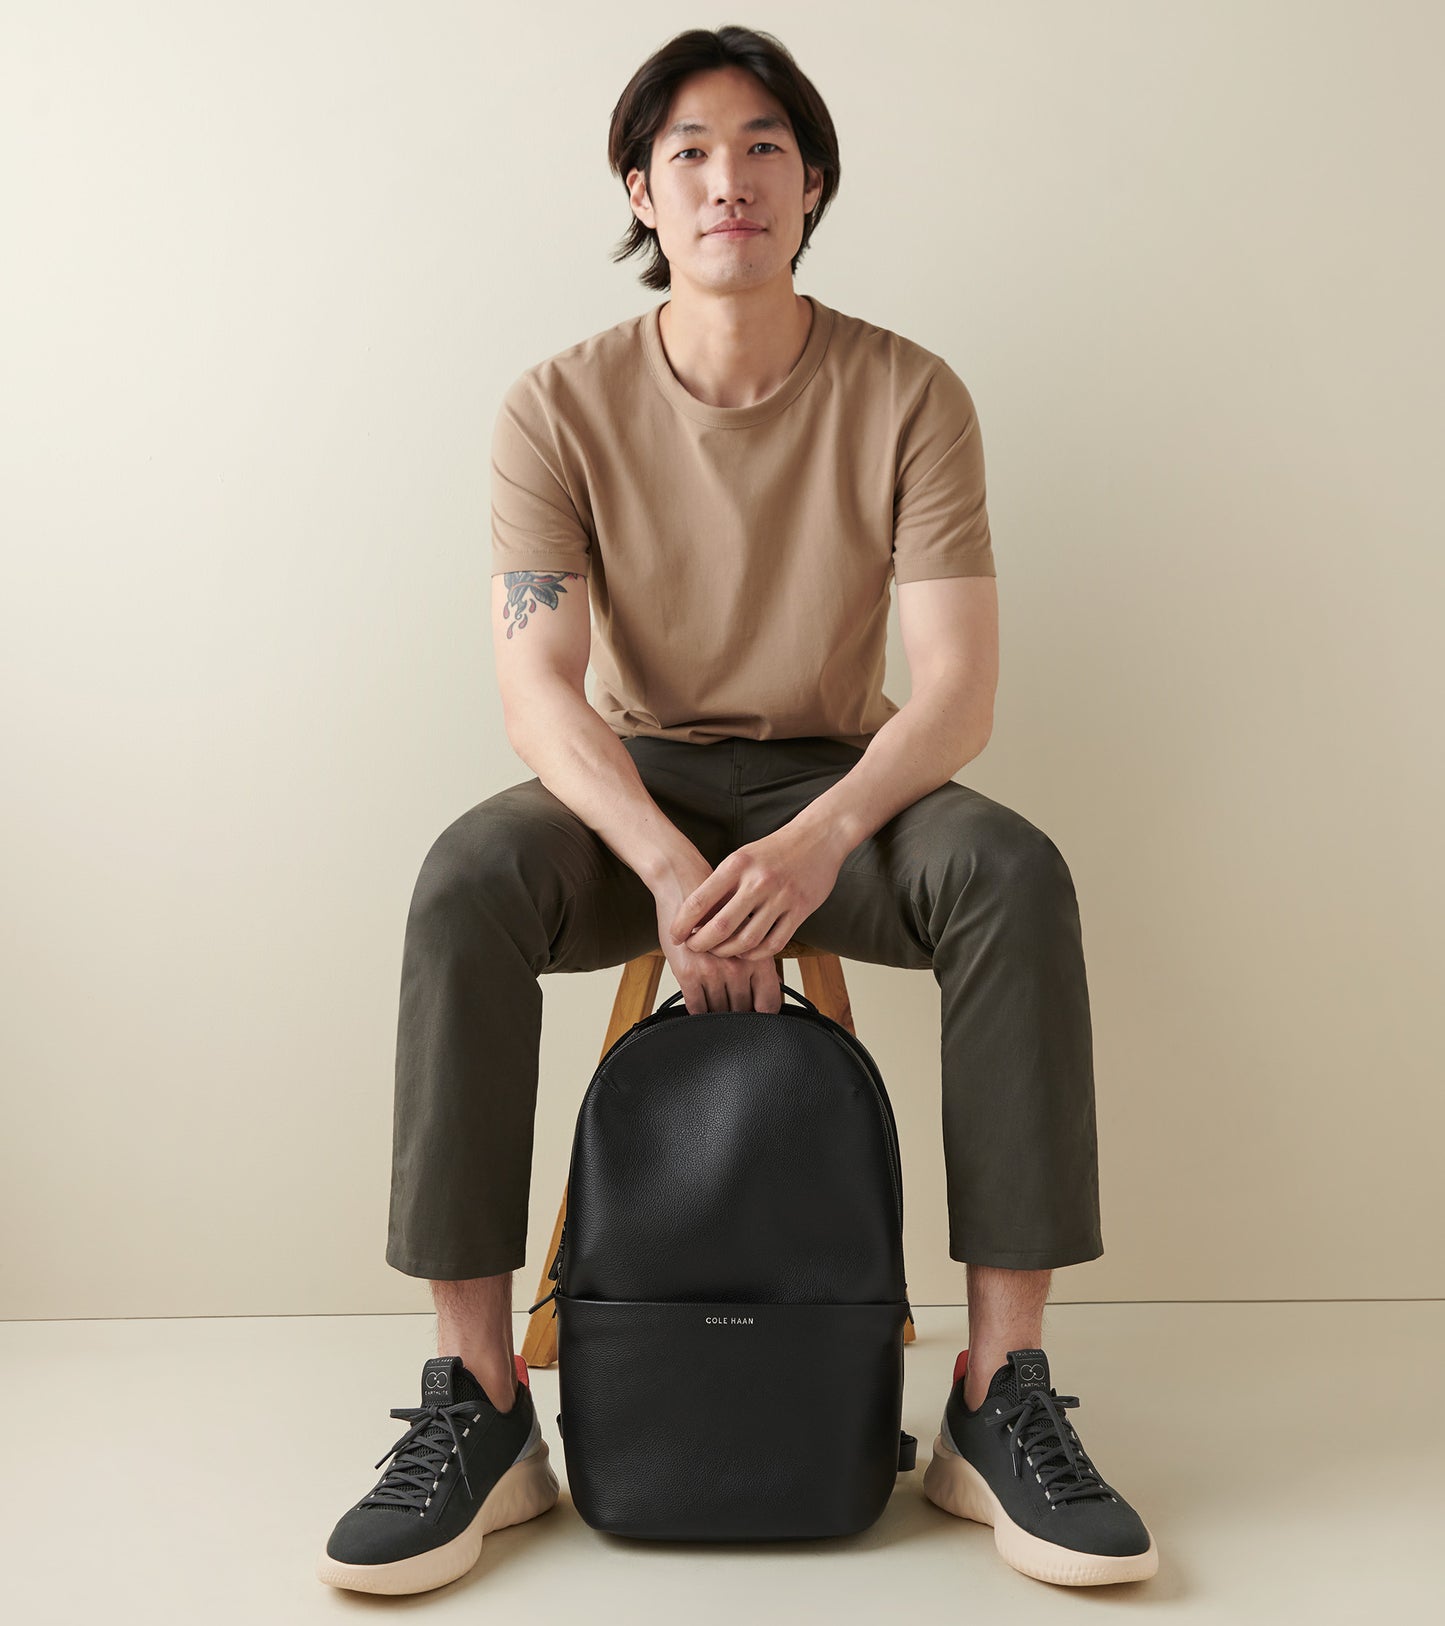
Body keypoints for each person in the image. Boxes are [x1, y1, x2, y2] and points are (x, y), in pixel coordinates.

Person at [318, 24, 1157, 1597]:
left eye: (764, 145)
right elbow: (538, 689)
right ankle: (479, 1399)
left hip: (841, 782)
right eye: (689, 151)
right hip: (633, 788)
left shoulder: (907, 392)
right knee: (464, 879)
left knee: (1011, 872)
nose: (729, 179)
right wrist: (664, 861)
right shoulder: (555, 404)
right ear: (640, 189)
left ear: (812, 181)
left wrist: (819, 836)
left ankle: (999, 1395)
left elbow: (954, 689)